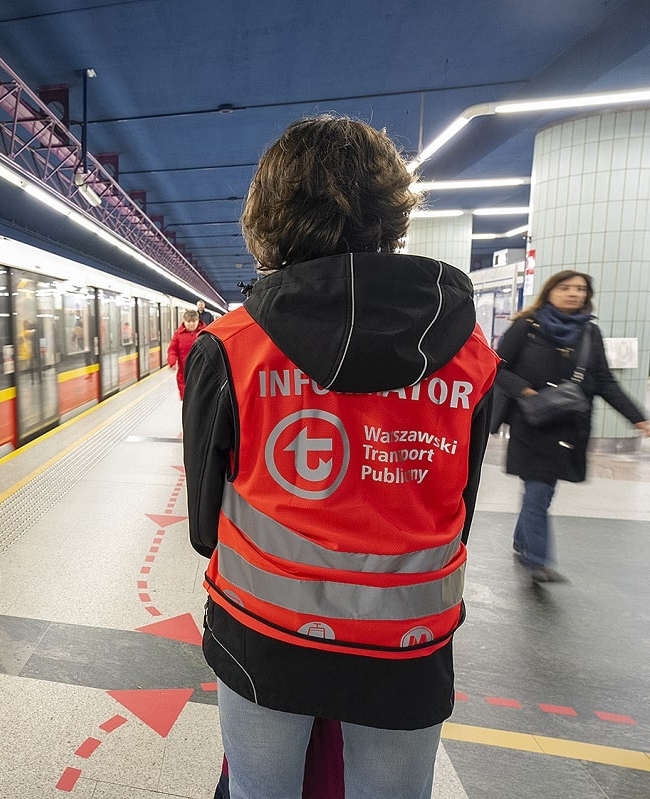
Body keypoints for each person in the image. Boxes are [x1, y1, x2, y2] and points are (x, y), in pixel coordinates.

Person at [182, 115, 499, 799]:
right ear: (393, 213)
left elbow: (204, 526)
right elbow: (461, 512)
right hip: (408, 642)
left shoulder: (229, 347)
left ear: (269, 213)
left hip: (263, 634)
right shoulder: (473, 356)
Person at [491, 270, 649, 582]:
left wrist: (638, 417)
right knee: (537, 490)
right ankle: (536, 560)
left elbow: (604, 381)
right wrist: (525, 391)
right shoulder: (527, 326)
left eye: (580, 289)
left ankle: (524, 541)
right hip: (532, 422)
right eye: (565, 287)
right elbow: (495, 367)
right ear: (550, 291)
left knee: (543, 491)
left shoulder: (589, 333)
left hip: (569, 428)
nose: (573, 294)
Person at [167, 309, 203, 399]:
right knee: (187, 400)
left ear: (198, 321)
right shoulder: (178, 334)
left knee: (201, 398)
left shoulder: (205, 333)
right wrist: (172, 361)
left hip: (202, 371)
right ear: (184, 321)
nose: (191, 324)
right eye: (188, 321)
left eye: (194, 321)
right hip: (184, 373)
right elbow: (172, 349)